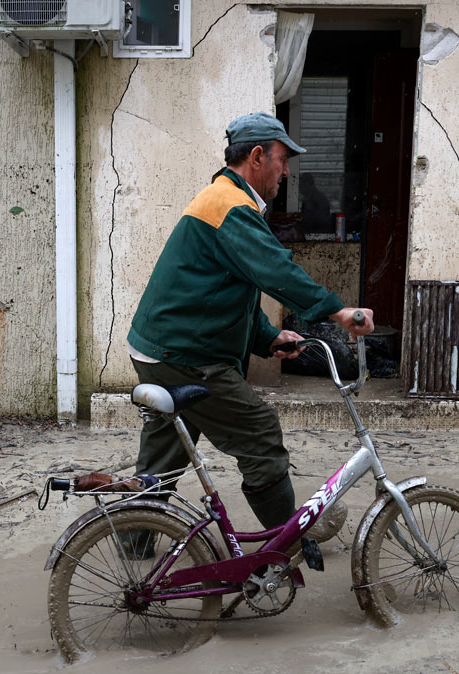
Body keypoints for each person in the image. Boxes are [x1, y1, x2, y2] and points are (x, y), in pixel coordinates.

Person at [127, 112, 374, 538]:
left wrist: (267, 336)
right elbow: (275, 271)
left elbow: (227, 289)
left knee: (163, 459)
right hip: (185, 355)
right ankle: (286, 539)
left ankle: (132, 548)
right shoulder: (231, 207)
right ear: (257, 157)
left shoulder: (223, 199)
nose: (286, 171)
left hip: (158, 347)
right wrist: (337, 312)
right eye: (282, 159)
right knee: (260, 434)